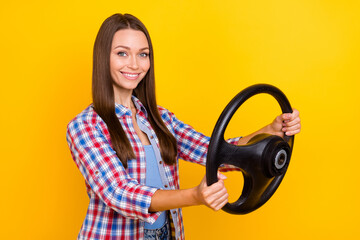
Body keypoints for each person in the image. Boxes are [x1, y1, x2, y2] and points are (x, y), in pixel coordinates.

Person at [66, 13, 301, 240]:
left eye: (143, 54)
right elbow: (119, 193)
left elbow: (214, 151)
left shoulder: (160, 119)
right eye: (122, 53)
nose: (135, 64)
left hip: (167, 233)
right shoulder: (85, 126)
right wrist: (195, 196)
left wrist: (269, 130)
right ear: (103, 57)